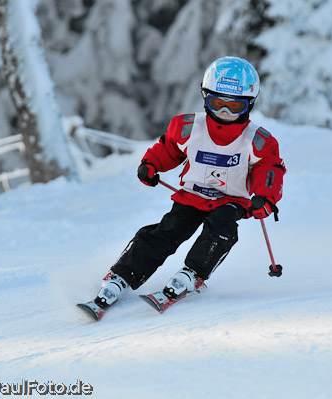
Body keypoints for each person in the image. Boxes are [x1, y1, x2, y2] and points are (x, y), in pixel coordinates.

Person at [91, 56, 285, 311]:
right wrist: (151, 165)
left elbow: (269, 169)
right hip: (191, 195)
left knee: (222, 227)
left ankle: (193, 273)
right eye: (217, 104)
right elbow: (169, 148)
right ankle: (123, 276)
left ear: (249, 104)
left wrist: (264, 198)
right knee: (168, 230)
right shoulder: (189, 127)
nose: (224, 113)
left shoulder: (257, 140)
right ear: (205, 98)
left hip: (230, 199)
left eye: (233, 107)